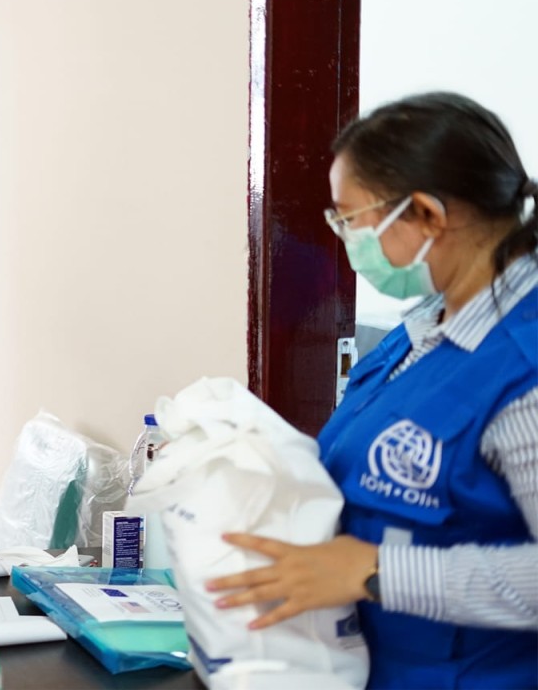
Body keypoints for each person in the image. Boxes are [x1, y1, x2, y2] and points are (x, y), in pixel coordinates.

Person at [209, 92, 538, 688]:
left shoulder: (523, 366)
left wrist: (376, 571)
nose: (343, 236)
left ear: (428, 216)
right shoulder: (425, 329)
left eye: (349, 217)